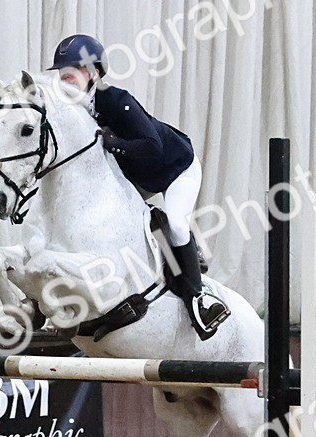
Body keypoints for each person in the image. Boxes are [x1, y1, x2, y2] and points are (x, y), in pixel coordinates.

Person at [47, 34, 230, 340]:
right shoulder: (72, 111)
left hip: (174, 167)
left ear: (93, 74)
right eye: (62, 72)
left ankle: (198, 300)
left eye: (73, 70)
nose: (65, 76)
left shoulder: (116, 100)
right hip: (138, 174)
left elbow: (152, 146)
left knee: (175, 222)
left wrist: (114, 143)